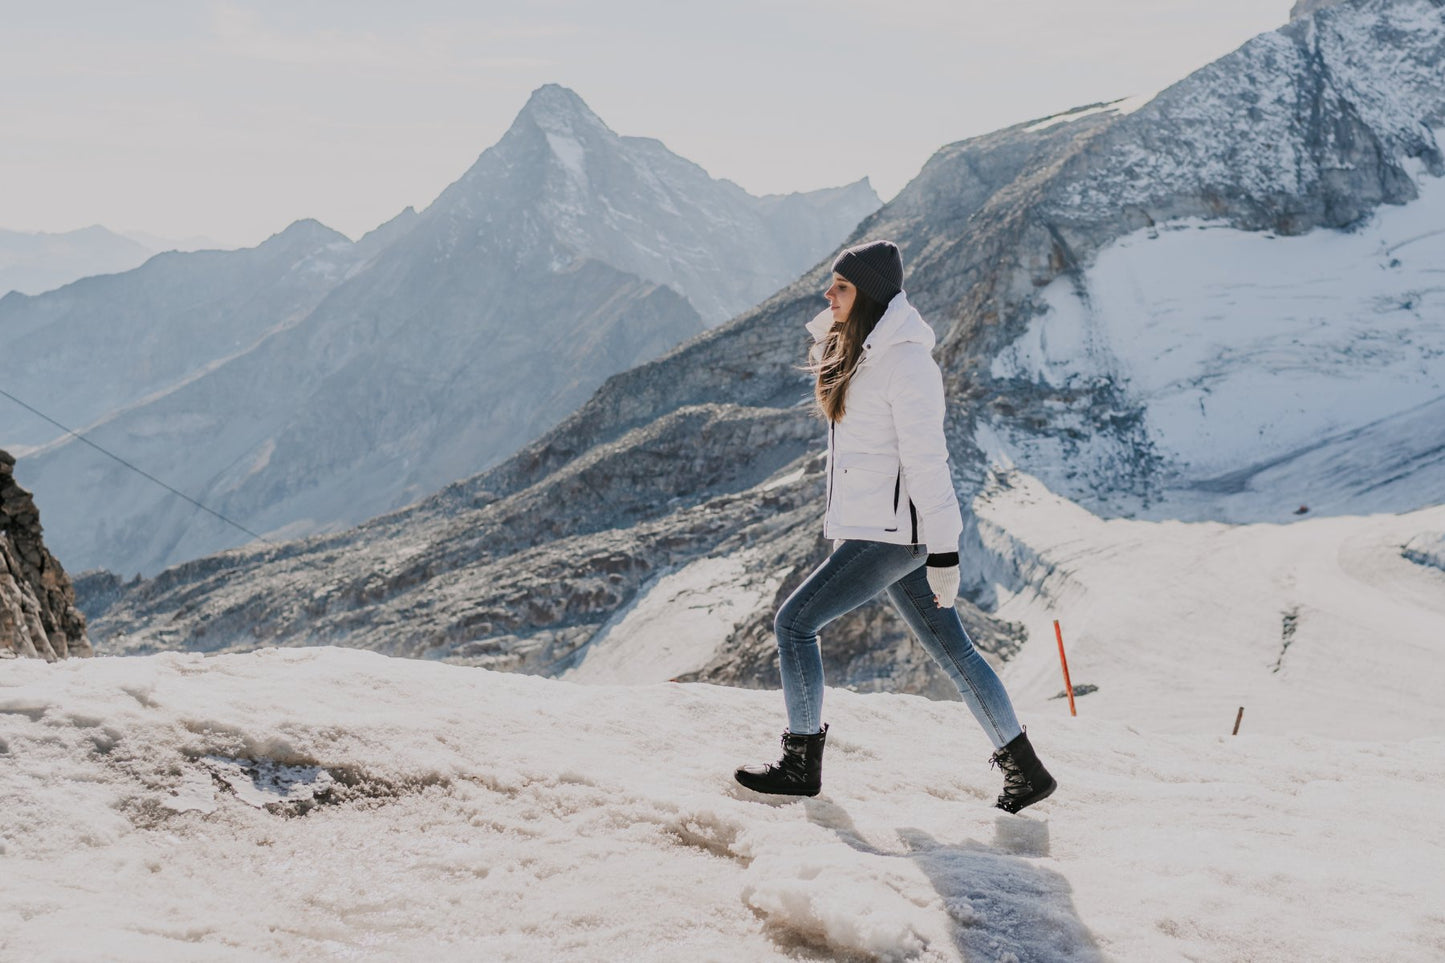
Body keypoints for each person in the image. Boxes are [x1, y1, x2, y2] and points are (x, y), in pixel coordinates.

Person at [734, 239, 1056, 813]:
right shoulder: (866, 352)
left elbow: (928, 459)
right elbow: (838, 337)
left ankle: (800, 763)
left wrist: (945, 550)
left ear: (872, 296)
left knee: (794, 625)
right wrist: (841, 313)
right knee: (955, 653)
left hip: (895, 537)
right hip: (886, 532)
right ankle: (1024, 770)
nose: (827, 295)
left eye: (842, 287)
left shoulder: (906, 364)